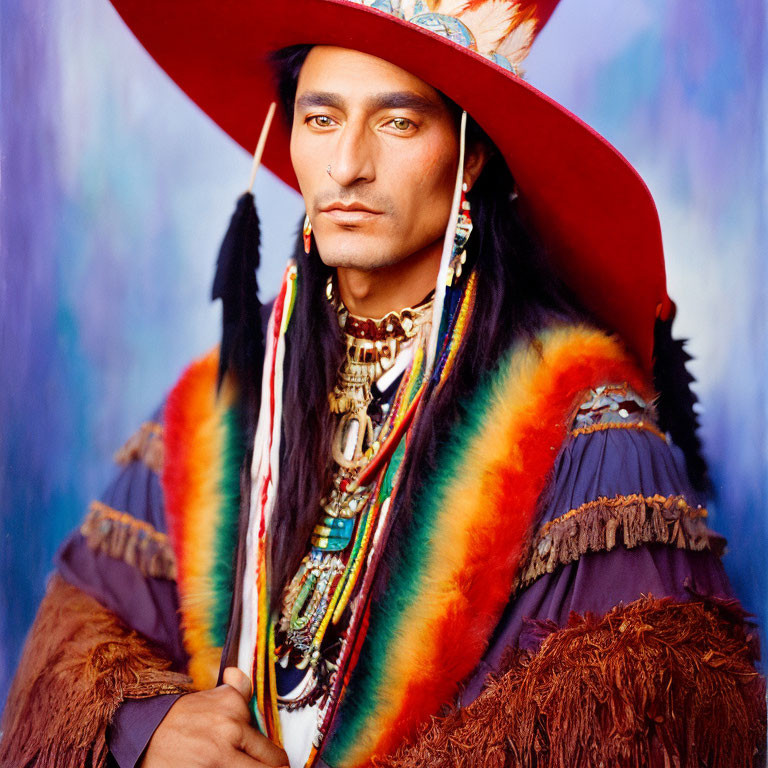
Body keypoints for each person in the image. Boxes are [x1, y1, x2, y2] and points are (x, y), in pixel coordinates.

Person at [1, 2, 764, 767]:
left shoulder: (585, 427)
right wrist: (151, 729)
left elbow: (639, 728)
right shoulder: (225, 401)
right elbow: (73, 639)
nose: (346, 166)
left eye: (397, 123)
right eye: (321, 118)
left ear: (470, 158)